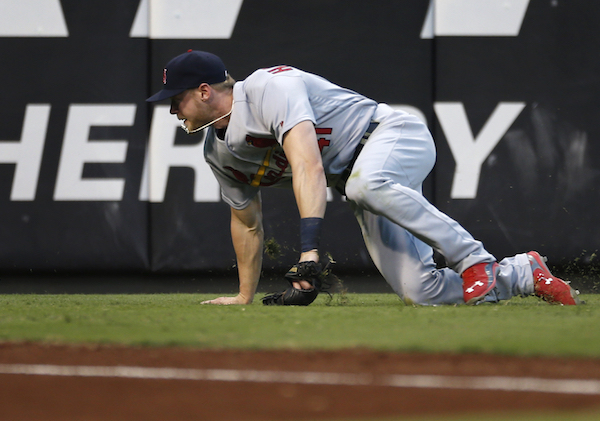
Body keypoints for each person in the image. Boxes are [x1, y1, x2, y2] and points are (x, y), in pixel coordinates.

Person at [146, 50, 583, 306]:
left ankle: (475, 259)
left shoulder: (266, 89)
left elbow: (307, 166)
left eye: (176, 99)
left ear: (205, 91)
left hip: (392, 135)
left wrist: (310, 249)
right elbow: (246, 221)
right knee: (420, 291)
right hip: (363, 182)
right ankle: (524, 274)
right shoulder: (217, 151)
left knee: (364, 184)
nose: (171, 110)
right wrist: (244, 296)